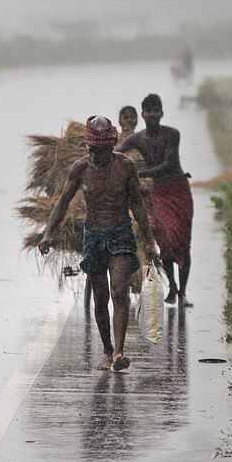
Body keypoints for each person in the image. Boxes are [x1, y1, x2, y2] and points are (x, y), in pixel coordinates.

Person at [39, 115, 160, 371]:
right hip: (93, 236)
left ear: (111, 146)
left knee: (118, 290)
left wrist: (149, 241)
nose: (96, 155)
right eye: (92, 150)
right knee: (101, 295)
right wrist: (48, 233)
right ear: (87, 147)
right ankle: (106, 350)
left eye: (102, 150)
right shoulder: (80, 169)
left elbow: (137, 204)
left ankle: (119, 352)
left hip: (120, 234)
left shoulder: (125, 167)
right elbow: (62, 202)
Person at [119, 93, 194, 307]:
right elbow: (118, 151)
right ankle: (172, 286)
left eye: (156, 110)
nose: (152, 114)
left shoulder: (172, 134)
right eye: (148, 110)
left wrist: (138, 174)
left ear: (161, 113)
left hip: (178, 189)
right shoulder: (137, 139)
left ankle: (183, 293)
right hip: (158, 192)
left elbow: (168, 164)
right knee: (165, 238)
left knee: (183, 240)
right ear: (142, 114)